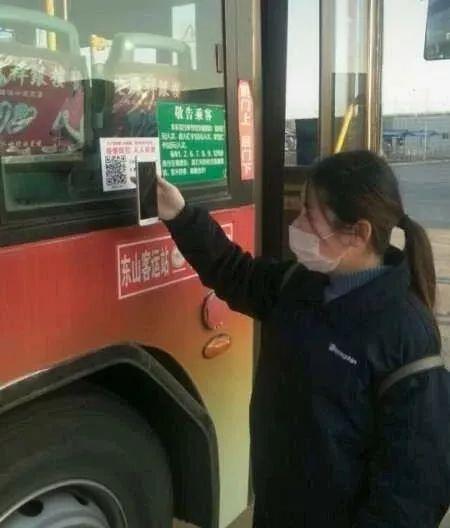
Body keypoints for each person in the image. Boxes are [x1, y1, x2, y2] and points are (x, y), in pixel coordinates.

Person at [155, 150, 450, 527]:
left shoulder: (406, 337)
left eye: (309, 215)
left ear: (358, 233)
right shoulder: (299, 284)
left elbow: (414, 488)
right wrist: (180, 215)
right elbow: (234, 272)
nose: (297, 225)